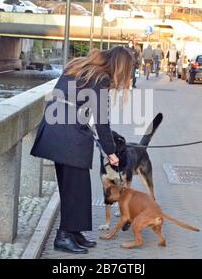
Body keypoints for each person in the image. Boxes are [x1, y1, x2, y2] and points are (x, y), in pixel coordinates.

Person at [30, 46, 134, 253]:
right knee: (75, 188)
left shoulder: (80, 67)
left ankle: (74, 232)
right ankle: (63, 236)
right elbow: (102, 122)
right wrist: (111, 152)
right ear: (119, 67)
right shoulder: (100, 79)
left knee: (75, 187)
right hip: (69, 135)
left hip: (55, 129)